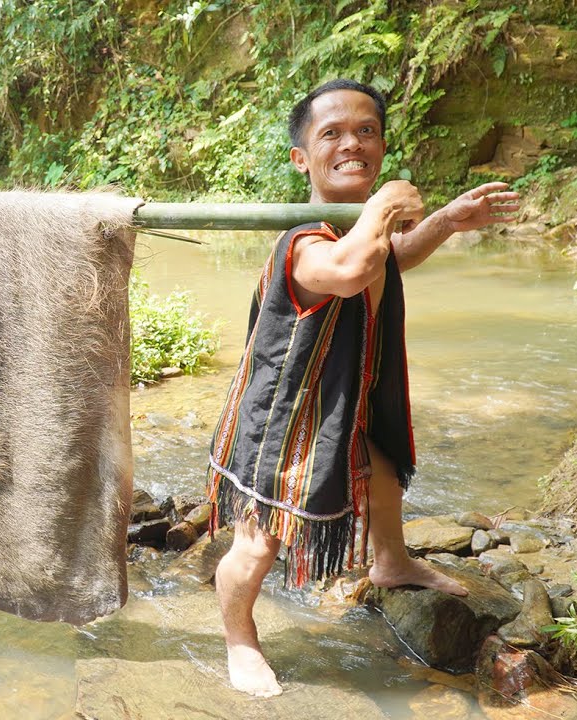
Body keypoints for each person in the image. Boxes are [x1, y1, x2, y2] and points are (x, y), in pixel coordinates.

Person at [206, 79, 519, 697]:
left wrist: (448, 221)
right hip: (285, 416)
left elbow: (388, 257)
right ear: (302, 158)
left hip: (346, 400)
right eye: (332, 134)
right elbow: (349, 272)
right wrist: (387, 202)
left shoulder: (359, 230)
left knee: (380, 471)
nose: (352, 143)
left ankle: (391, 561)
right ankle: (240, 641)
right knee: (259, 539)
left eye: (366, 131)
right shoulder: (303, 241)